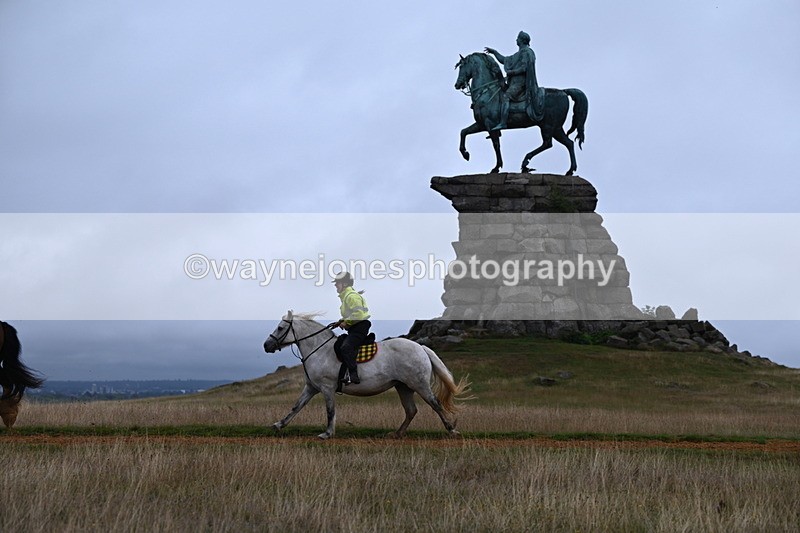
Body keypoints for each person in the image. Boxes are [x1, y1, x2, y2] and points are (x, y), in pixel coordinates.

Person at [484, 30, 545, 129]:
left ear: (521, 40)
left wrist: (512, 72)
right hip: (513, 83)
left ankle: (503, 123)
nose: (516, 39)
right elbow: (504, 60)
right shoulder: (518, 54)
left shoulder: (527, 52)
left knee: (505, 97)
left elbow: (525, 68)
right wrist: (494, 52)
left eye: (517, 38)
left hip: (521, 84)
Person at [332, 271, 371, 385]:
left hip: (359, 328)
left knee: (346, 348)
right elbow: (352, 315)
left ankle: (353, 375)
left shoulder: (351, 297)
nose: (335, 285)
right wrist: (341, 321)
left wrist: (347, 322)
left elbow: (359, 314)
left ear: (344, 284)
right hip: (355, 328)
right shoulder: (346, 297)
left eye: (337, 283)